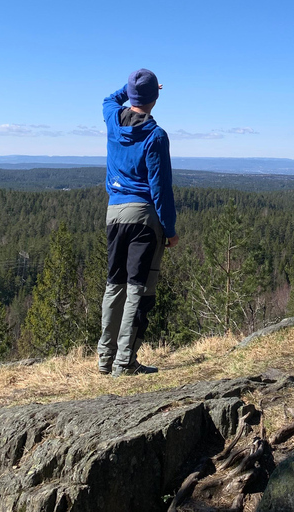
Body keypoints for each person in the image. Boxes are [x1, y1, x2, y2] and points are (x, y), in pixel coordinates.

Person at [97, 68, 179, 377]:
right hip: (144, 217)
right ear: (155, 98)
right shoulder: (156, 136)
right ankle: (125, 362)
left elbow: (110, 98)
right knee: (138, 289)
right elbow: (161, 188)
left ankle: (105, 358)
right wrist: (169, 230)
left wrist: (132, 88)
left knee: (114, 285)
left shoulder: (112, 119)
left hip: (114, 214)